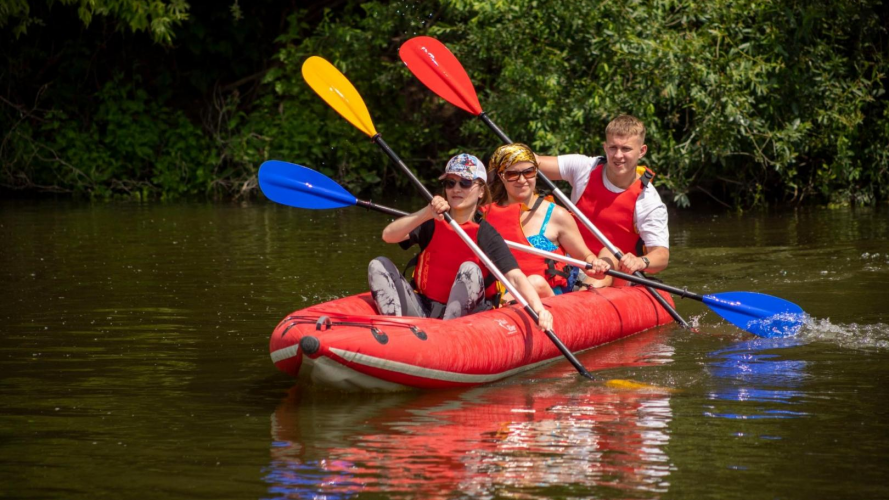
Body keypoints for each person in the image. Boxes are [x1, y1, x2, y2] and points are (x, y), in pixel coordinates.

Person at [368, 153, 553, 331]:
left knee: (469, 269)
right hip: (423, 308)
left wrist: (539, 310)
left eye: (465, 183)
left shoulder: (486, 234)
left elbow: (515, 277)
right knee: (378, 264)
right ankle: (398, 331)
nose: (456, 189)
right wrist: (426, 213)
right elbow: (389, 236)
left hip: (465, 319)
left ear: (481, 191)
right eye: (450, 183)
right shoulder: (432, 222)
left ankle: (446, 334)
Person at [536, 114, 670, 277]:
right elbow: (534, 163)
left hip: (613, 274)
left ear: (641, 151)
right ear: (605, 148)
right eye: (613, 148)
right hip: (574, 263)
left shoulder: (647, 200)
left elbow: (661, 255)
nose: (618, 155)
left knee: (609, 254)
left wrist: (641, 262)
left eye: (626, 149)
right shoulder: (584, 168)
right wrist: (513, 156)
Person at [485, 143, 614, 297]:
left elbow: (586, 257)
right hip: (500, 297)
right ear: (501, 176)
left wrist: (595, 265)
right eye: (512, 174)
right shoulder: (485, 215)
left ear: (536, 172)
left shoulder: (557, 215)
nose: (522, 180)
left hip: (547, 297)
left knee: (534, 282)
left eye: (529, 172)